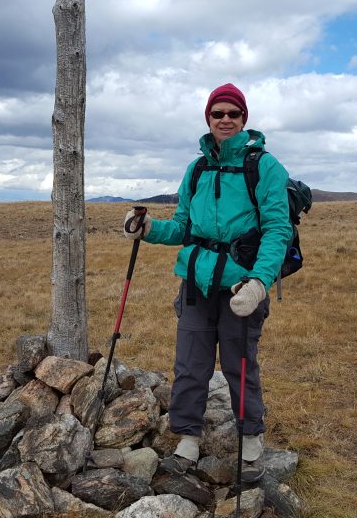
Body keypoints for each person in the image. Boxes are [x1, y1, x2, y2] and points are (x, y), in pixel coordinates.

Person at [122, 83, 292, 482]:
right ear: (208, 120)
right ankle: (187, 442)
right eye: (219, 114)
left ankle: (251, 445)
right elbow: (183, 227)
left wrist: (258, 282)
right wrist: (148, 228)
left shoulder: (265, 167)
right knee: (190, 365)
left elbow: (277, 230)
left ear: (244, 119)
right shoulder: (196, 168)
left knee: (240, 365)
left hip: (241, 287)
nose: (226, 120)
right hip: (197, 284)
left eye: (234, 113)